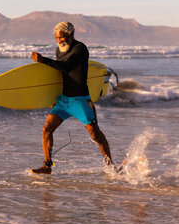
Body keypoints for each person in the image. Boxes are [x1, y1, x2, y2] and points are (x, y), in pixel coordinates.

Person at [30, 21, 115, 174]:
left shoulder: (80, 49)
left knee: (94, 133)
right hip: (63, 101)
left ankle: (110, 165)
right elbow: (59, 74)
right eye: (56, 38)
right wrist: (52, 99)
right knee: (46, 129)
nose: (59, 41)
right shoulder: (59, 50)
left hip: (80, 100)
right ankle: (47, 166)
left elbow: (67, 67)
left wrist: (43, 60)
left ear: (71, 35)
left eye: (61, 38)